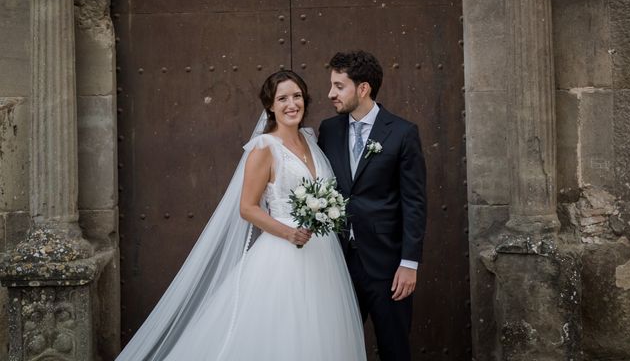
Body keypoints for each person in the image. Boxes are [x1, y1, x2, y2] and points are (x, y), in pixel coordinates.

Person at [116, 70, 366, 361]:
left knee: (321, 329)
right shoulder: (264, 148)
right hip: (283, 252)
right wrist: (289, 233)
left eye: (297, 96)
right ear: (270, 106)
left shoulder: (311, 140)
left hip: (322, 254)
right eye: (282, 98)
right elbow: (247, 208)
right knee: (281, 331)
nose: (291, 104)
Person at [318, 51, 427, 361]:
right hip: (338, 264)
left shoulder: (403, 133)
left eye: (339, 86)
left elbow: (415, 202)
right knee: (336, 349)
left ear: (362, 89)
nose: (331, 94)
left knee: (394, 349)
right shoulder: (329, 129)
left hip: (388, 266)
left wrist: (409, 263)